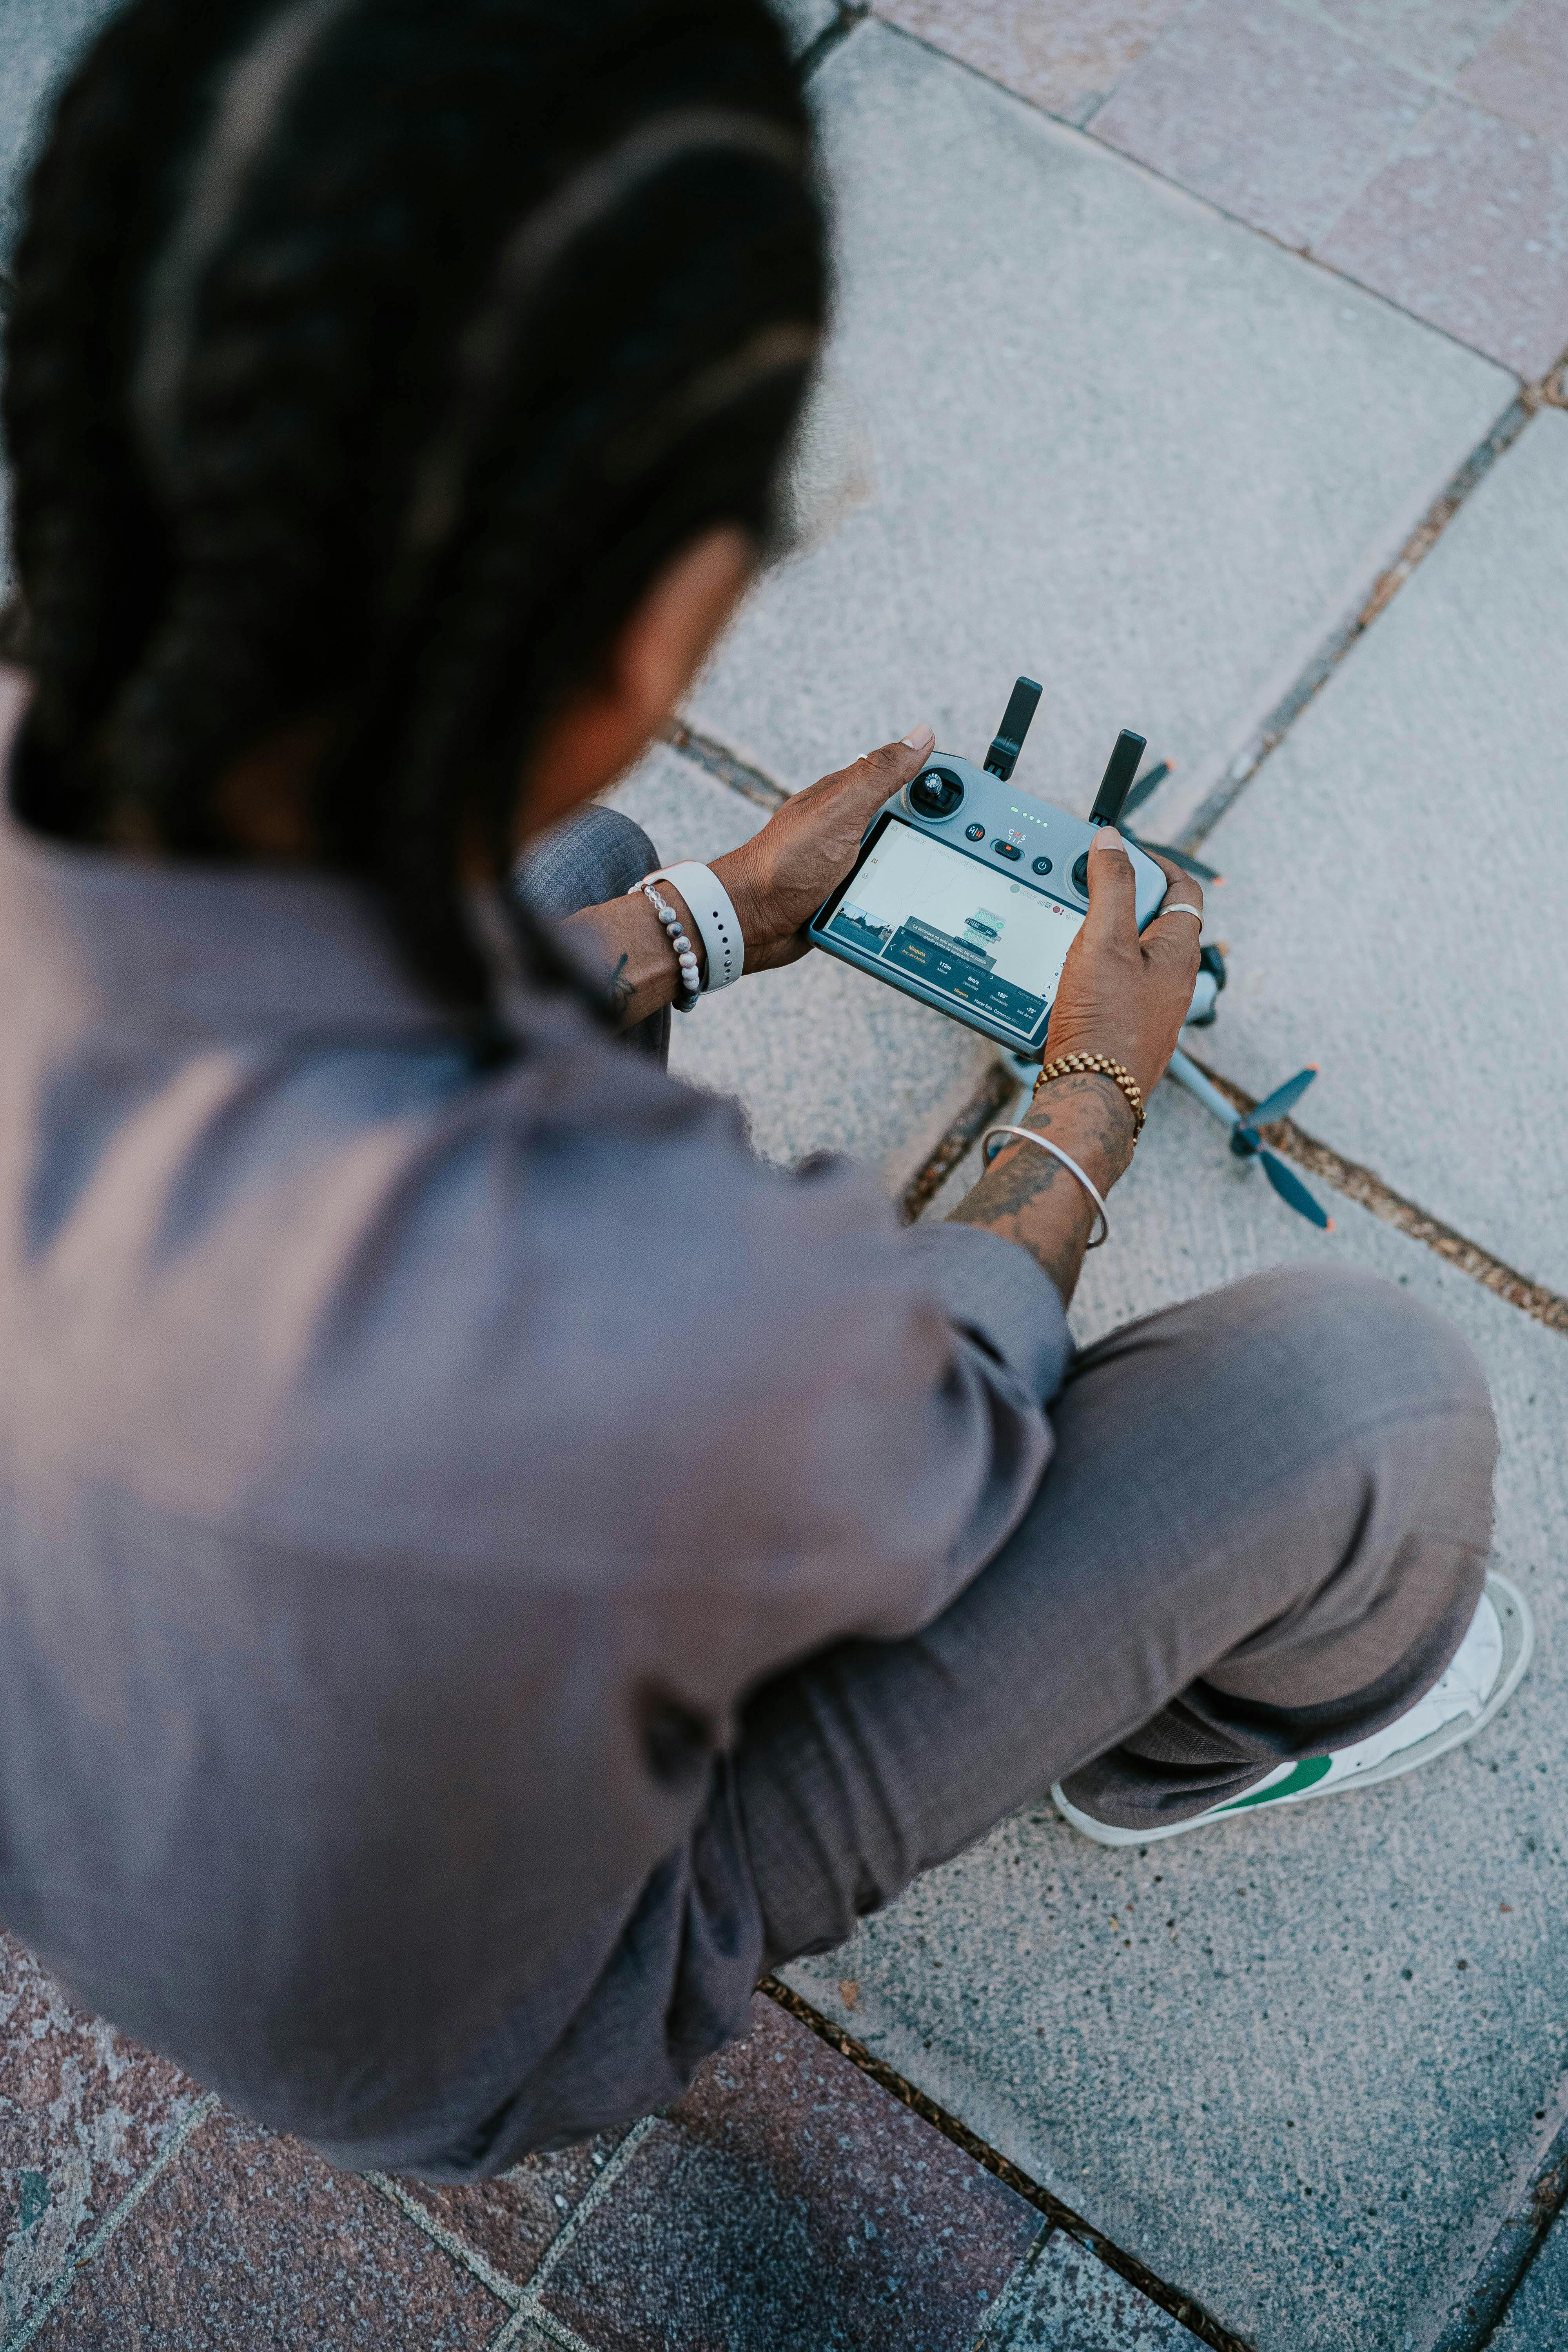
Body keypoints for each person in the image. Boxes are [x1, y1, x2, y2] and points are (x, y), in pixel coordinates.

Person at [0, 0, 1523, 2182]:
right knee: (1365, 1422)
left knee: (585, 883)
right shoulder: (651, 1286)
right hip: (461, 2018)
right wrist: (1090, 1083)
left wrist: (714, 914)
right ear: (656, 630)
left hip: (119, 1796)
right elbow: (943, 1417)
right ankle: (1216, 1731)